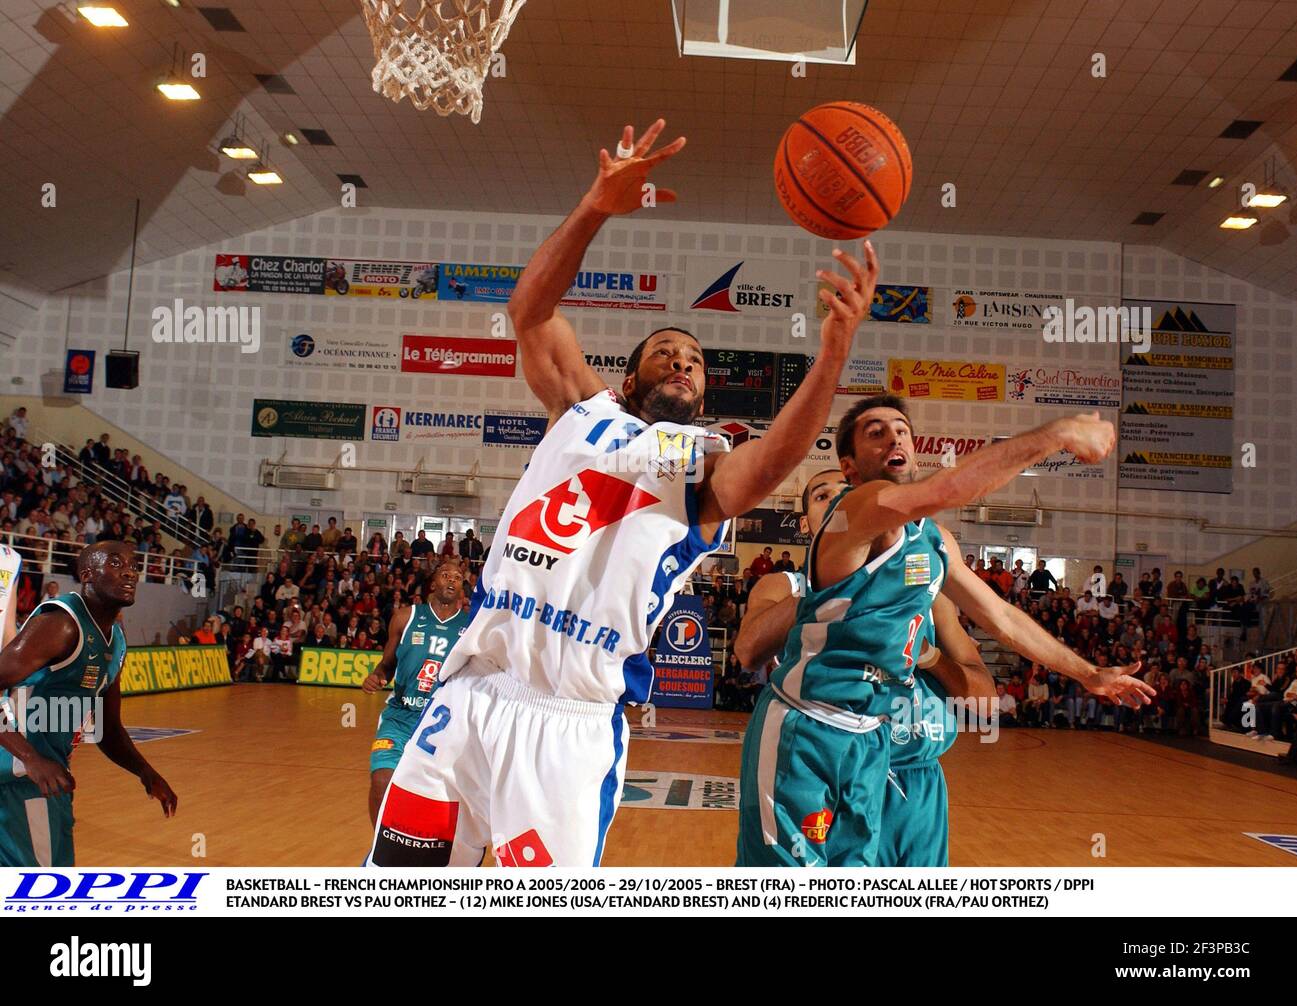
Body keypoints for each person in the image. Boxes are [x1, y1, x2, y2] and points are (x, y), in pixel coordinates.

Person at [366, 117, 879, 869]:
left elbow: (773, 461)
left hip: (568, 725)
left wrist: (834, 350)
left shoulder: (699, 464)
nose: (681, 361)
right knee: (399, 887)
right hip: (470, 696)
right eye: (664, 353)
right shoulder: (582, 408)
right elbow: (530, 312)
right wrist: (596, 208)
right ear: (629, 378)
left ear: (702, 398)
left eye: (695, 361)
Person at [734, 394, 1152, 866]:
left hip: (870, 737)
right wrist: (1057, 435)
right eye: (876, 432)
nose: (894, 437)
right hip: (807, 727)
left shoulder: (932, 539)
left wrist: (1087, 673)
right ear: (849, 467)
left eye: (902, 430)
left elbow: (1003, 617)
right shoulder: (856, 507)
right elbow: (951, 488)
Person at [734, 467, 994, 867]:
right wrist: (835, 587)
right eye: (824, 496)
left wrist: (930, 657)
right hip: (827, 766)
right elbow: (748, 650)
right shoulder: (785, 587)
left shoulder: (926, 589)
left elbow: (984, 704)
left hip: (917, 780)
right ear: (805, 525)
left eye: (850, 494)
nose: (841, 502)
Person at [0, 542, 177, 865]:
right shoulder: (61, 624)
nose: (129, 571)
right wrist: (31, 759)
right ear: (87, 575)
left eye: (133, 565)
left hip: (48, 778)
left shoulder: (117, 641)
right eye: (114, 563)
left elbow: (108, 729)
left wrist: (146, 773)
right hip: (19, 776)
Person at [359, 560, 472, 825]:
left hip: (442, 724)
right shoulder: (405, 617)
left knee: (438, 797)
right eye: (445, 575)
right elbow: (387, 665)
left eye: (457, 577)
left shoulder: (471, 628)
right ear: (433, 584)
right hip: (400, 717)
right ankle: (380, 848)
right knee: (381, 779)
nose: (452, 580)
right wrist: (376, 677)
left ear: (462, 589)